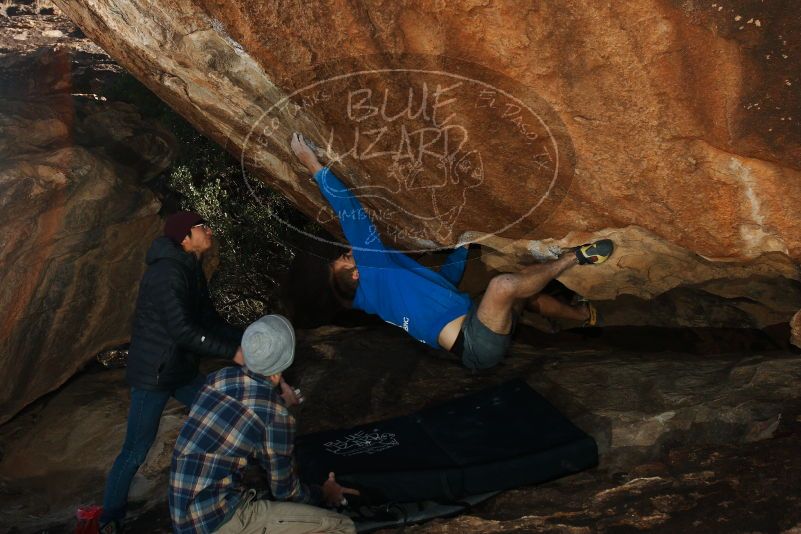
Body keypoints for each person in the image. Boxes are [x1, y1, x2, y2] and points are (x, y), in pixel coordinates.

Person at [290, 132, 614, 371]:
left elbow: (443, 282)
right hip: (475, 345)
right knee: (503, 287)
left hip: (473, 321)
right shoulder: (374, 268)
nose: (349, 251)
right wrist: (313, 165)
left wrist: (462, 246)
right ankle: (577, 257)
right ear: (355, 273)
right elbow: (350, 212)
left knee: (522, 294)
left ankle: (584, 316)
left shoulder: (374, 293)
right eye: (346, 257)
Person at [100, 211, 245, 533]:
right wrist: (233, 352)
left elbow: (208, 320)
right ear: (184, 237)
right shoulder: (167, 273)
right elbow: (182, 330)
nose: (209, 230)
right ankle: (110, 518)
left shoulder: (190, 268)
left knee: (221, 414)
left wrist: (246, 337)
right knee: (136, 449)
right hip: (154, 375)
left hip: (180, 369)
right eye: (201, 227)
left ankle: (222, 487)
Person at [169, 314, 358, 534]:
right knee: (341, 526)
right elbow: (286, 491)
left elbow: (247, 410)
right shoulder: (275, 415)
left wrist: (278, 401)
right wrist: (324, 494)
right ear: (286, 362)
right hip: (218, 520)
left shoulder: (219, 378)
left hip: (184, 513)